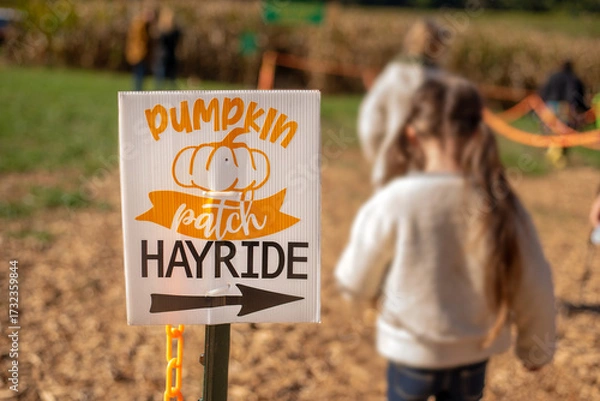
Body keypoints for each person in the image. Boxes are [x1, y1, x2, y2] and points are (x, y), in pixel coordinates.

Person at [336, 76, 556, 401]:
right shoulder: (501, 201)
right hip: (473, 356)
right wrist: (535, 349)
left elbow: (354, 280)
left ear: (412, 136)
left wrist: (369, 295)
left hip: (412, 352)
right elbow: (535, 282)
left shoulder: (396, 200)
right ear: (478, 133)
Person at [358, 19, 449, 188]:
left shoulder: (392, 76)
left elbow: (370, 125)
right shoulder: (444, 82)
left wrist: (379, 156)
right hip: (432, 173)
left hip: (391, 168)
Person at [125, 7, 156, 91]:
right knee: (139, 75)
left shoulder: (144, 25)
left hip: (140, 55)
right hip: (139, 55)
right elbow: (142, 39)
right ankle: (137, 91)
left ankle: (138, 90)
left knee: (140, 75)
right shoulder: (140, 25)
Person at [154, 7, 181, 90]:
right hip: (166, 56)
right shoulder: (171, 32)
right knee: (165, 78)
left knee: (166, 78)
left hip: (165, 56)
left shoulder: (170, 32)